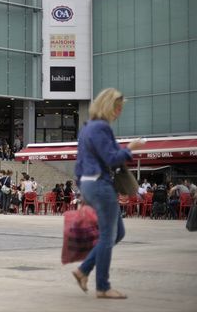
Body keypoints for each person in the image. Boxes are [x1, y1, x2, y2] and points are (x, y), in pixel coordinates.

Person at [72, 88, 144, 299]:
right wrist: (130, 147)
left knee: (117, 233)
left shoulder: (86, 128)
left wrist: (83, 191)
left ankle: (83, 270)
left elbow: (79, 163)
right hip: (99, 183)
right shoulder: (102, 127)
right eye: (117, 107)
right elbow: (112, 159)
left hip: (88, 183)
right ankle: (103, 286)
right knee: (108, 236)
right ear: (107, 106)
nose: (119, 111)